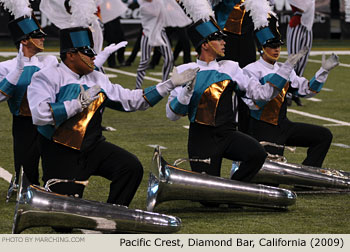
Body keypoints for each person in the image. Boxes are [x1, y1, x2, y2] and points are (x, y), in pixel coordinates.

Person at [27, 26, 198, 206]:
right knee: (62, 222)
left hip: (92, 146)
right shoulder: (46, 77)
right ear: (71, 55)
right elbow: (40, 115)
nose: (93, 57)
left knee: (130, 167)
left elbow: (132, 100)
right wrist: (76, 104)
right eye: (87, 53)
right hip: (61, 151)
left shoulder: (97, 78)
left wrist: (169, 84)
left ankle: (113, 213)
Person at [165, 16, 306, 187]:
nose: (224, 42)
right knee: (209, 199)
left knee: (257, 155)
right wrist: (186, 91)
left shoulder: (230, 67)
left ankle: (235, 188)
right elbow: (172, 114)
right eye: (218, 39)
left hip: (227, 134)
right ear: (205, 44)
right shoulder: (183, 71)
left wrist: (285, 70)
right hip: (202, 139)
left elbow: (262, 94)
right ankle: (223, 193)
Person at [243, 16, 339, 168]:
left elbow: (306, 89)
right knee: (271, 180)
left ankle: (307, 179)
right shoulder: (250, 71)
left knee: (323, 136)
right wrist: (285, 70)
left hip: (283, 125)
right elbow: (259, 100)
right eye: (272, 46)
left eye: (278, 46)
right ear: (261, 48)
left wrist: (323, 71)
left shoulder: (284, 68)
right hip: (263, 128)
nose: (276, 50)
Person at [0, 8, 58, 200]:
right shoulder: (6, 66)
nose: (43, 38)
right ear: (24, 40)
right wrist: (16, 71)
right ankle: (21, 186)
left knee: (54, 165)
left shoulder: (48, 61)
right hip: (24, 123)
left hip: (50, 121)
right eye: (37, 35)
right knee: (26, 167)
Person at [135, 0, 173, 89]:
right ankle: (137, 87)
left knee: (169, 58)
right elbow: (156, 13)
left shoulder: (159, 3)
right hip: (148, 34)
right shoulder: (143, 7)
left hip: (161, 33)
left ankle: (164, 82)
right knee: (144, 61)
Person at [286, 0, 315, 106]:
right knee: (293, 60)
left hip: (308, 26)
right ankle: (288, 93)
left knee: (303, 61)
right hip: (297, 24)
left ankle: (296, 92)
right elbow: (302, 7)